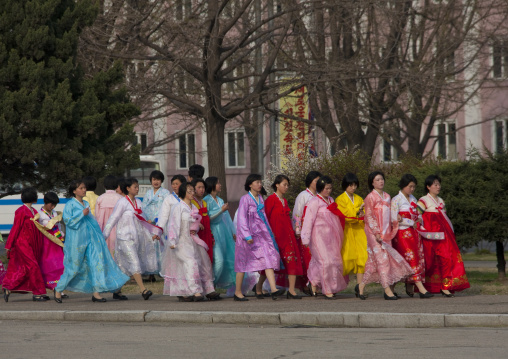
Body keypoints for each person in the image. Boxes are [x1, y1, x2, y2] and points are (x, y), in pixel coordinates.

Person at [54, 180, 129, 303]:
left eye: (84, 188)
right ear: (74, 191)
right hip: (77, 242)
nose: (84, 190)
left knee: (96, 264)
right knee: (74, 267)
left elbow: (92, 221)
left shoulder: (86, 203)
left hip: (91, 240)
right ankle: (58, 289)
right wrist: (81, 214)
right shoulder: (70, 205)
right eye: (81, 188)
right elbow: (68, 221)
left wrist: (99, 236)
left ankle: (96, 293)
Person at [160, 181, 220, 302]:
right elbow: (174, 225)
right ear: (184, 193)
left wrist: (196, 227)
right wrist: (172, 241)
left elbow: (195, 223)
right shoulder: (178, 207)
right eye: (190, 191)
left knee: (201, 263)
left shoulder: (193, 207)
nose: (193, 193)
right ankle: (195, 290)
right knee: (190, 263)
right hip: (181, 241)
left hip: (193, 241)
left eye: (193, 191)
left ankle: (208, 289)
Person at [103, 177, 162, 300]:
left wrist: (153, 233)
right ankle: (143, 290)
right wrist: (104, 236)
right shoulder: (122, 203)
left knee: (124, 267)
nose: (137, 188)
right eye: (134, 186)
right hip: (124, 238)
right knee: (134, 262)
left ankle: (116, 291)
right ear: (128, 188)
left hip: (137, 239)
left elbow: (144, 222)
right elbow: (112, 219)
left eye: (137, 186)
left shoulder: (139, 203)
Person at [359, 171, 413, 300]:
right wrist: (376, 232)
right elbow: (369, 216)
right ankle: (388, 291)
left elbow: (390, 214)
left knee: (377, 262)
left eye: (382, 179)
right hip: (374, 233)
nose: (380, 181)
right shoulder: (370, 197)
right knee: (382, 260)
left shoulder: (388, 196)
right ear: (372, 182)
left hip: (386, 233)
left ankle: (360, 287)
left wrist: (396, 217)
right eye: (377, 180)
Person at [234, 174, 285, 301]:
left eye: (260, 182)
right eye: (257, 182)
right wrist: (246, 235)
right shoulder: (245, 199)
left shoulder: (261, 199)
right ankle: (237, 292)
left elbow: (264, 219)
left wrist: (269, 234)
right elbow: (242, 218)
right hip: (247, 237)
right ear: (250, 184)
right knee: (242, 264)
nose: (260, 184)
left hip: (260, 236)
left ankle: (273, 289)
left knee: (268, 258)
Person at [417, 175, 470, 296]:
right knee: (429, 261)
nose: (438, 187)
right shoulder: (423, 200)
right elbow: (417, 217)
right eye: (435, 184)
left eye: (439, 184)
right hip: (430, 236)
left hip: (443, 236)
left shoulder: (441, 201)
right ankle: (427, 287)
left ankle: (445, 285)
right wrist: (423, 230)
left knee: (446, 258)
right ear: (428, 187)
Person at [301, 176, 348, 299]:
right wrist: (305, 238)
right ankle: (327, 289)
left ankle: (313, 283)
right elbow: (308, 220)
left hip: (331, 236)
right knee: (324, 262)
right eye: (326, 188)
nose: (328, 191)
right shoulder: (314, 202)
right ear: (320, 188)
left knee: (333, 261)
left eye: (330, 188)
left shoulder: (331, 200)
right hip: (318, 236)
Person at [261, 175, 304, 299]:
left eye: (287, 185)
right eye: (284, 184)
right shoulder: (270, 200)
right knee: (271, 264)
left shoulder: (284, 201)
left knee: (291, 261)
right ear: (277, 185)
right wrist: (268, 235)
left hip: (287, 236)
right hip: (275, 237)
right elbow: (265, 219)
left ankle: (291, 290)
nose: (286, 187)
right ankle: (259, 287)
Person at [391, 174, 433, 298]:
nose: (412, 189)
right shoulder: (396, 200)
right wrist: (409, 222)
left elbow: (419, 215)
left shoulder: (414, 199)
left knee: (415, 259)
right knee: (410, 259)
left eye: (414, 187)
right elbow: (394, 218)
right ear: (403, 186)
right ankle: (420, 288)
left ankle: (393, 289)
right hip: (402, 233)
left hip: (414, 233)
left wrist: (419, 220)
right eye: (410, 186)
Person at [2, 188, 47, 302]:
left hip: (33, 244)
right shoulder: (21, 211)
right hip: (23, 243)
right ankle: (37, 293)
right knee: (33, 266)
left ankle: (9, 287)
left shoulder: (34, 212)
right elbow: (15, 228)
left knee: (26, 269)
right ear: (33, 198)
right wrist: (9, 245)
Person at [335, 173, 368, 298]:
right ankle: (334, 286)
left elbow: (363, 213)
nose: (353, 188)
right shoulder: (340, 199)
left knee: (362, 258)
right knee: (346, 259)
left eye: (355, 185)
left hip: (359, 230)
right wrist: (357, 212)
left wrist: (360, 213)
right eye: (351, 185)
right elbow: (345, 215)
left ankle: (360, 288)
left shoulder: (359, 198)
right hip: (347, 231)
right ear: (345, 185)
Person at [203, 176, 236, 290]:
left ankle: (214, 286)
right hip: (213, 233)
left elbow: (227, 218)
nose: (220, 185)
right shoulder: (206, 200)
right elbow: (208, 218)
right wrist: (221, 210)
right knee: (219, 260)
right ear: (212, 185)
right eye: (218, 183)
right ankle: (210, 285)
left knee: (227, 259)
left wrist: (233, 231)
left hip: (223, 232)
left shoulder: (220, 200)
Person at [291, 171, 322, 294]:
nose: (318, 183)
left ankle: (315, 284)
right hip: (306, 232)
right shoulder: (303, 195)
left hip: (318, 232)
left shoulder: (320, 195)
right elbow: (297, 213)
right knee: (307, 259)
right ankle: (306, 284)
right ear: (310, 182)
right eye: (316, 181)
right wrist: (298, 230)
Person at [35, 192, 66, 298]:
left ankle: (59, 289)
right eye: (51, 205)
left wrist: (62, 234)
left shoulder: (55, 213)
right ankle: (50, 287)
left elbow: (59, 226)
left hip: (56, 242)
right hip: (46, 243)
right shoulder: (39, 214)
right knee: (48, 266)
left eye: (54, 205)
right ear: (45, 202)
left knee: (60, 265)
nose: (52, 207)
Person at [142, 170, 170, 280]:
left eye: (158, 179)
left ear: (161, 180)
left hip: (161, 223)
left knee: (162, 246)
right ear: (151, 181)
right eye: (154, 179)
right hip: (150, 225)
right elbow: (144, 207)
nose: (156, 182)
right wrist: (148, 219)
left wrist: (156, 218)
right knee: (151, 247)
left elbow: (165, 207)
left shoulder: (166, 193)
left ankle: (163, 271)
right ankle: (151, 273)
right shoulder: (148, 194)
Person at [95, 175, 123, 256]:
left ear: (104, 186)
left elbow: (97, 215)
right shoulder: (120, 198)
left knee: (104, 251)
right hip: (117, 228)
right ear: (117, 186)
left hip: (103, 229)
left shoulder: (100, 198)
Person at [190, 178, 214, 264]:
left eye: (203, 187)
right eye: (199, 187)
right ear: (193, 189)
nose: (201, 190)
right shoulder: (191, 202)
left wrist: (211, 236)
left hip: (206, 234)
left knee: (208, 258)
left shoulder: (204, 202)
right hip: (197, 234)